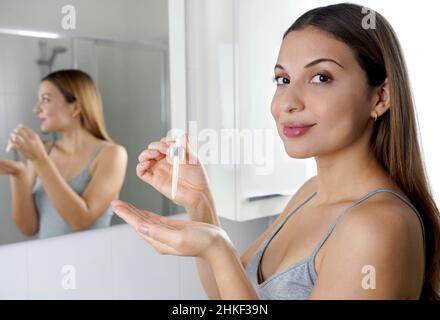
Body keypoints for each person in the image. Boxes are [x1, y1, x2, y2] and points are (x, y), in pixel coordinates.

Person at [110, 3, 440, 299]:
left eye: (321, 77)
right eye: (282, 80)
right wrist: (200, 204)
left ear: (380, 97)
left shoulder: (378, 226)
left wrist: (218, 249)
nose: (287, 103)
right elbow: (226, 295)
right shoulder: (309, 193)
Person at [0, 69, 127, 239]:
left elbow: (79, 220)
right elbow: (29, 227)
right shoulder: (43, 151)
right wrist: (19, 175)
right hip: (49, 260)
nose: (36, 109)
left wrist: (39, 159)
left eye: (45, 100)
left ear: (75, 107)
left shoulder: (112, 154)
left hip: (92, 260)